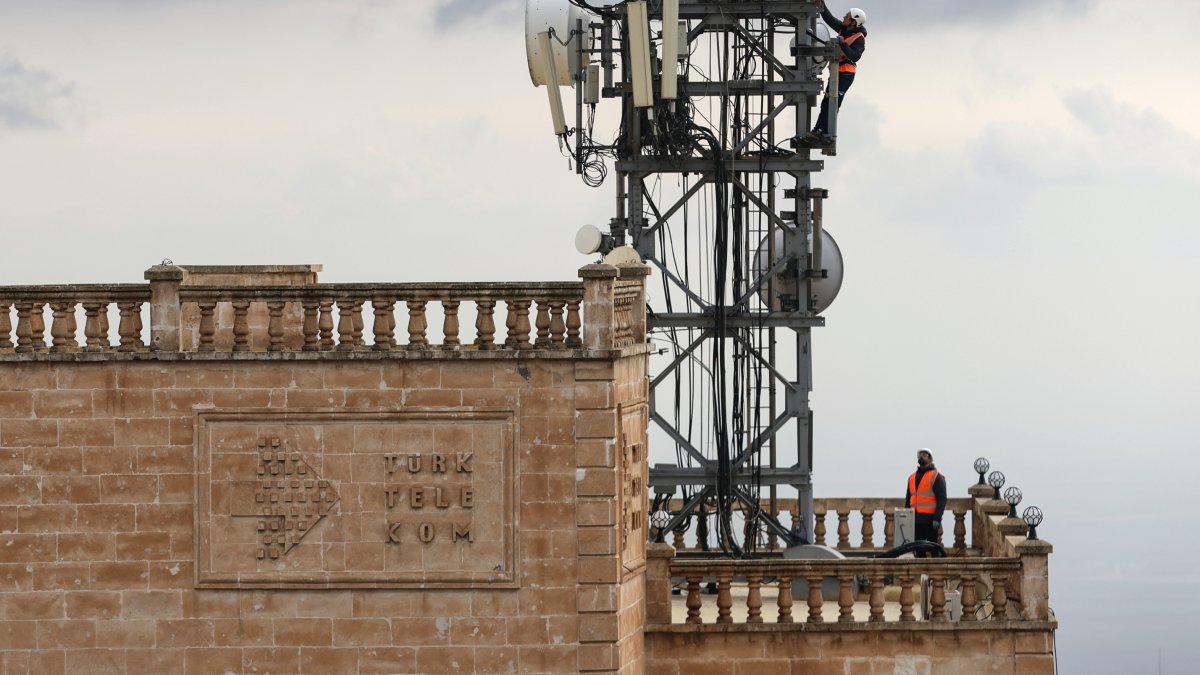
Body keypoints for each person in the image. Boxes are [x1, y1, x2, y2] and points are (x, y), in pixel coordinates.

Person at [806, 2, 867, 141]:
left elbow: (855, 56)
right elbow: (830, 19)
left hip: (846, 74)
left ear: (853, 22)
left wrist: (843, 44)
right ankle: (819, 130)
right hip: (837, 72)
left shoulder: (859, 38)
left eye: (847, 16)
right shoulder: (844, 29)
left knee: (833, 102)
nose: (844, 17)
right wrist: (821, 4)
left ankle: (824, 131)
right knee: (827, 102)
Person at [905, 448, 947, 544]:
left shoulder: (936, 477)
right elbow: (908, 500)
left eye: (924, 454)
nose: (921, 456)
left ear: (930, 459)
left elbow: (942, 500)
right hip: (915, 519)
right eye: (920, 454)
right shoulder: (912, 477)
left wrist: (937, 518)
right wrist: (907, 516)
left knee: (933, 548)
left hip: (930, 520)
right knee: (918, 549)